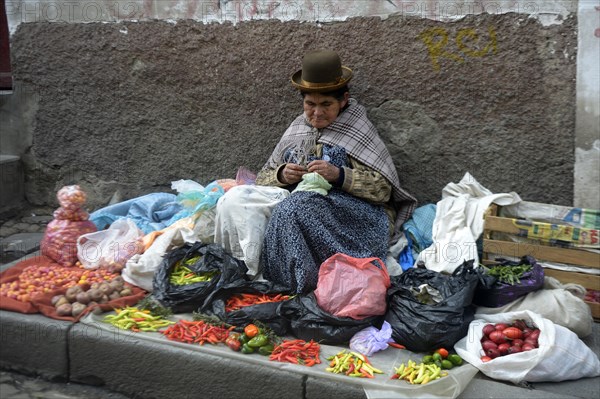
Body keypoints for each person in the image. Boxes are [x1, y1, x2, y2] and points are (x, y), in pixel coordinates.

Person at [214, 50, 416, 293]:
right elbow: (263, 178)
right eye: (310, 104)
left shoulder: (358, 129)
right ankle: (244, 273)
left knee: (295, 208)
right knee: (234, 201)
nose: (317, 113)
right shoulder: (298, 127)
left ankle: (296, 285)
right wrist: (281, 175)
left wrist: (339, 175)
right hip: (301, 201)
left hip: (356, 217)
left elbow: (383, 190)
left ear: (344, 100)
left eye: (326, 105)